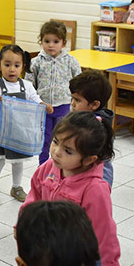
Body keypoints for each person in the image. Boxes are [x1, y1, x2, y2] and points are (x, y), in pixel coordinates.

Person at [22, 112, 121, 266]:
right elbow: (34, 196)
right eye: (55, 142)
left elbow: (104, 228)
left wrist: (109, 261)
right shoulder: (49, 167)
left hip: (81, 257)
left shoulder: (95, 188)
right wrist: (24, 224)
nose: (56, 152)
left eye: (68, 151)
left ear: (89, 159)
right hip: (50, 247)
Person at [0, 44, 53, 205]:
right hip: (0, 131)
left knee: (18, 161)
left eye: (16, 65)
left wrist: (44, 105)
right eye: (7, 65)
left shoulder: (26, 86)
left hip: (19, 131)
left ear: (22, 66)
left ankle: (16, 187)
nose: (12, 69)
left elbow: (35, 99)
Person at [25, 20, 81, 165]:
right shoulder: (36, 62)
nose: (51, 45)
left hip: (64, 106)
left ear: (63, 43)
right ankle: (43, 165)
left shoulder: (71, 61)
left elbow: (79, 82)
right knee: (45, 138)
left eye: (55, 41)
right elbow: (30, 84)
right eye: (47, 41)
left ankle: (61, 164)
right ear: (41, 41)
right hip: (43, 107)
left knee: (63, 138)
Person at [69, 70, 115, 188]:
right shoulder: (83, 117)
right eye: (72, 98)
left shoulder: (95, 127)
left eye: (77, 100)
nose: (72, 104)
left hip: (97, 177)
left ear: (94, 105)